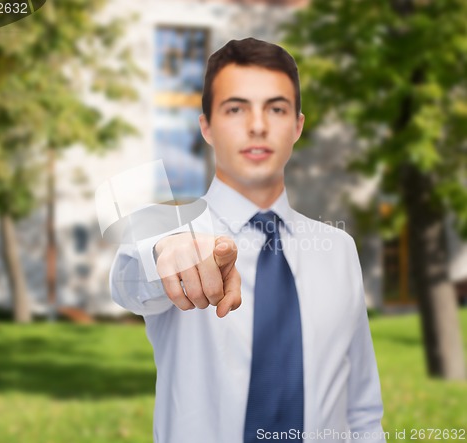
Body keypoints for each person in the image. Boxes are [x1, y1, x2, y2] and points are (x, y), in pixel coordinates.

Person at [110, 38, 386, 443]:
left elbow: (361, 409)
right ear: (206, 126)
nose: (257, 125)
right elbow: (128, 281)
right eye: (236, 108)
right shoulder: (171, 230)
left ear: (297, 127)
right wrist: (167, 253)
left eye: (276, 109)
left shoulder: (339, 249)